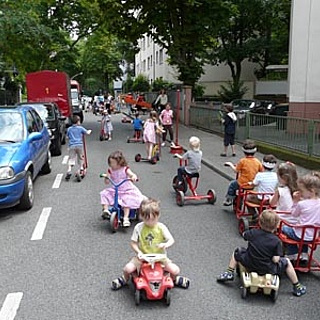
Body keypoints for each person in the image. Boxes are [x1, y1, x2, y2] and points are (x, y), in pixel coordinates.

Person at [217, 209, 306, 297]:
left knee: (238, 251)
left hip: (250, 262)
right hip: (268, 268)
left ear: (260, 222)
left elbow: (244, 235)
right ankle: (296, 285)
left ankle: (229, 272)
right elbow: (275, 260)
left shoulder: (253, 233)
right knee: (286, 262)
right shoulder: (276, 241)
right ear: (276, 226)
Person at [111, 198, 190, 290]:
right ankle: (125, 279)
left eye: (153, 219)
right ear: (142, 216)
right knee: (127, 268)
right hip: (143, 257)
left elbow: (171, 240)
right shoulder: (139, 228)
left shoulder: (161, 227)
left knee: (175, 270)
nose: (150, 222)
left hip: (159, 258)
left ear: (158, 216)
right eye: (147, 219)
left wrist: (165, 244)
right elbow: (133, 243)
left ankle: (173, 279)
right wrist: (139, 252)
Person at [281, 172, 320, 261]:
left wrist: (295, 201)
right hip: (314, 235)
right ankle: (304, 254)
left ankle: (292, 253)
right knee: (305, 232)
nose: (301, 193)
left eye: (302, 191)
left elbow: (293, 214)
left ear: (311, 191)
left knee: (285, 229)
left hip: (299, 234)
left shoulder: (302, 204)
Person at [100, 151, 146, 227]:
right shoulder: (110, 170)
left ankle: (126, 218)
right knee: (104, 193)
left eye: (113, 163)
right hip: (116, 188)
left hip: (126, 189)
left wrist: (133, 177)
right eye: (110, 163)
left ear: (119, 162)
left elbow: (131, 174)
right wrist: (106, 178)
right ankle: (105, 210)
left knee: (127, 200)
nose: (111, 164)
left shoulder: (125, 169)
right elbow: (107, 182)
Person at [223, 139, 263, 206]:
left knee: (232, 185)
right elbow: (261, 171)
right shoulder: (257, 162)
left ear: (244, 152)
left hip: (242, 184)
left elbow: (236, 171)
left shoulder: (242, 161)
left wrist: (230, 164)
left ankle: (229, 199)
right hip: (252, 184)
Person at [65, 115, 92, 182]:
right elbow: (87, 133)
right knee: (80, 157)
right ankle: (81, 168)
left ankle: (69, 170)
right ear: (78, 122)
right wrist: (89, 131)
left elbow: (67, 137)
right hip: (79, 145)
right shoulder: (80, 128)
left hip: (72, 145)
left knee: (71, 158)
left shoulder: (69, 129)